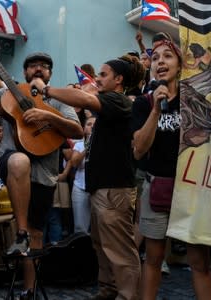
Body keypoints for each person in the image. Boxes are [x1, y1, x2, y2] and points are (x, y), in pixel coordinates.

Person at [0, 47, 83, 298]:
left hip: (45, 172)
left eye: (44, 65)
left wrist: (48, 115)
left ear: (50, 73)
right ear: (25, 71)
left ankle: (29, 290)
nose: (38, 68)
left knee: (37, 234)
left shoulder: (59, 98)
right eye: (33, 65)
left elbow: (77, 131)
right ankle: (20, 232)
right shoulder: (7, 94)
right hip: (12, 160)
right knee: (19, 161)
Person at [30, 58, 141, 300]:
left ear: (119, 80)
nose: (97, 79)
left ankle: (127, 295)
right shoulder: (109, 103)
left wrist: (46, 89)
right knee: (102, 246)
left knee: (119, 250)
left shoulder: (118, 100)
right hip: (101, 187)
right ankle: (108, 290)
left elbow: (85, 100)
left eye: (103, 74)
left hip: (115, 188)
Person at [132, 38, 211, 300]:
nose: (160, 62)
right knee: (153, 258)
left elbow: (209, 139)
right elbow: (139, 149)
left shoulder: (194, 99)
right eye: (155, 58)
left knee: (199, 262)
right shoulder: (144, 103)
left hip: (192, 190)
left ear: (179, 65)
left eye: (168, 56)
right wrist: (156, 110)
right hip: (158, 187)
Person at [70, 115, 95, 234]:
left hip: (98, 190)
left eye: (95, 125)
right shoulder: (79, 145)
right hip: (80, 188)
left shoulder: (105, 145)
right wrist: (87, 147)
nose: (92, 127)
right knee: (80, 228)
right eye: (89, 124)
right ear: (84, 128)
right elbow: (74, 163)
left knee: (101, 226)